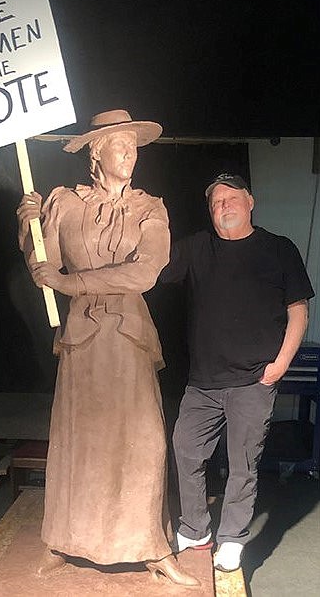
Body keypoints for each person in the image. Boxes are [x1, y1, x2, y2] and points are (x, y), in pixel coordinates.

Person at [16, 109, 199, 588]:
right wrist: (30, 228)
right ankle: (66, 538)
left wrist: (69, 282)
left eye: (135, 147)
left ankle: (151, 547)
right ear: (96, 152)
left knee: (144, 441)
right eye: (121, 146)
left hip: (130, 336)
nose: (131, 155)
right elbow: (46, 266)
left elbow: (146, 271)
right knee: (79, 441)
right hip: (81, 338)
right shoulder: (64, 203)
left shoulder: (150, 208)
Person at [161, 173, 314, 572]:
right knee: (185, 449)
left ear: (250, 202)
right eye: (215, 202)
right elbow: (152, 268)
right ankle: (195, 529)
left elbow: (298, 309)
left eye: (231, 198)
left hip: (253, 380)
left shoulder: (278, 249)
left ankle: (232, 540)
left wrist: (281, 364)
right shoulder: (196, 248)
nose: (223, 206)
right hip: (202, 383)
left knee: (243, 464)